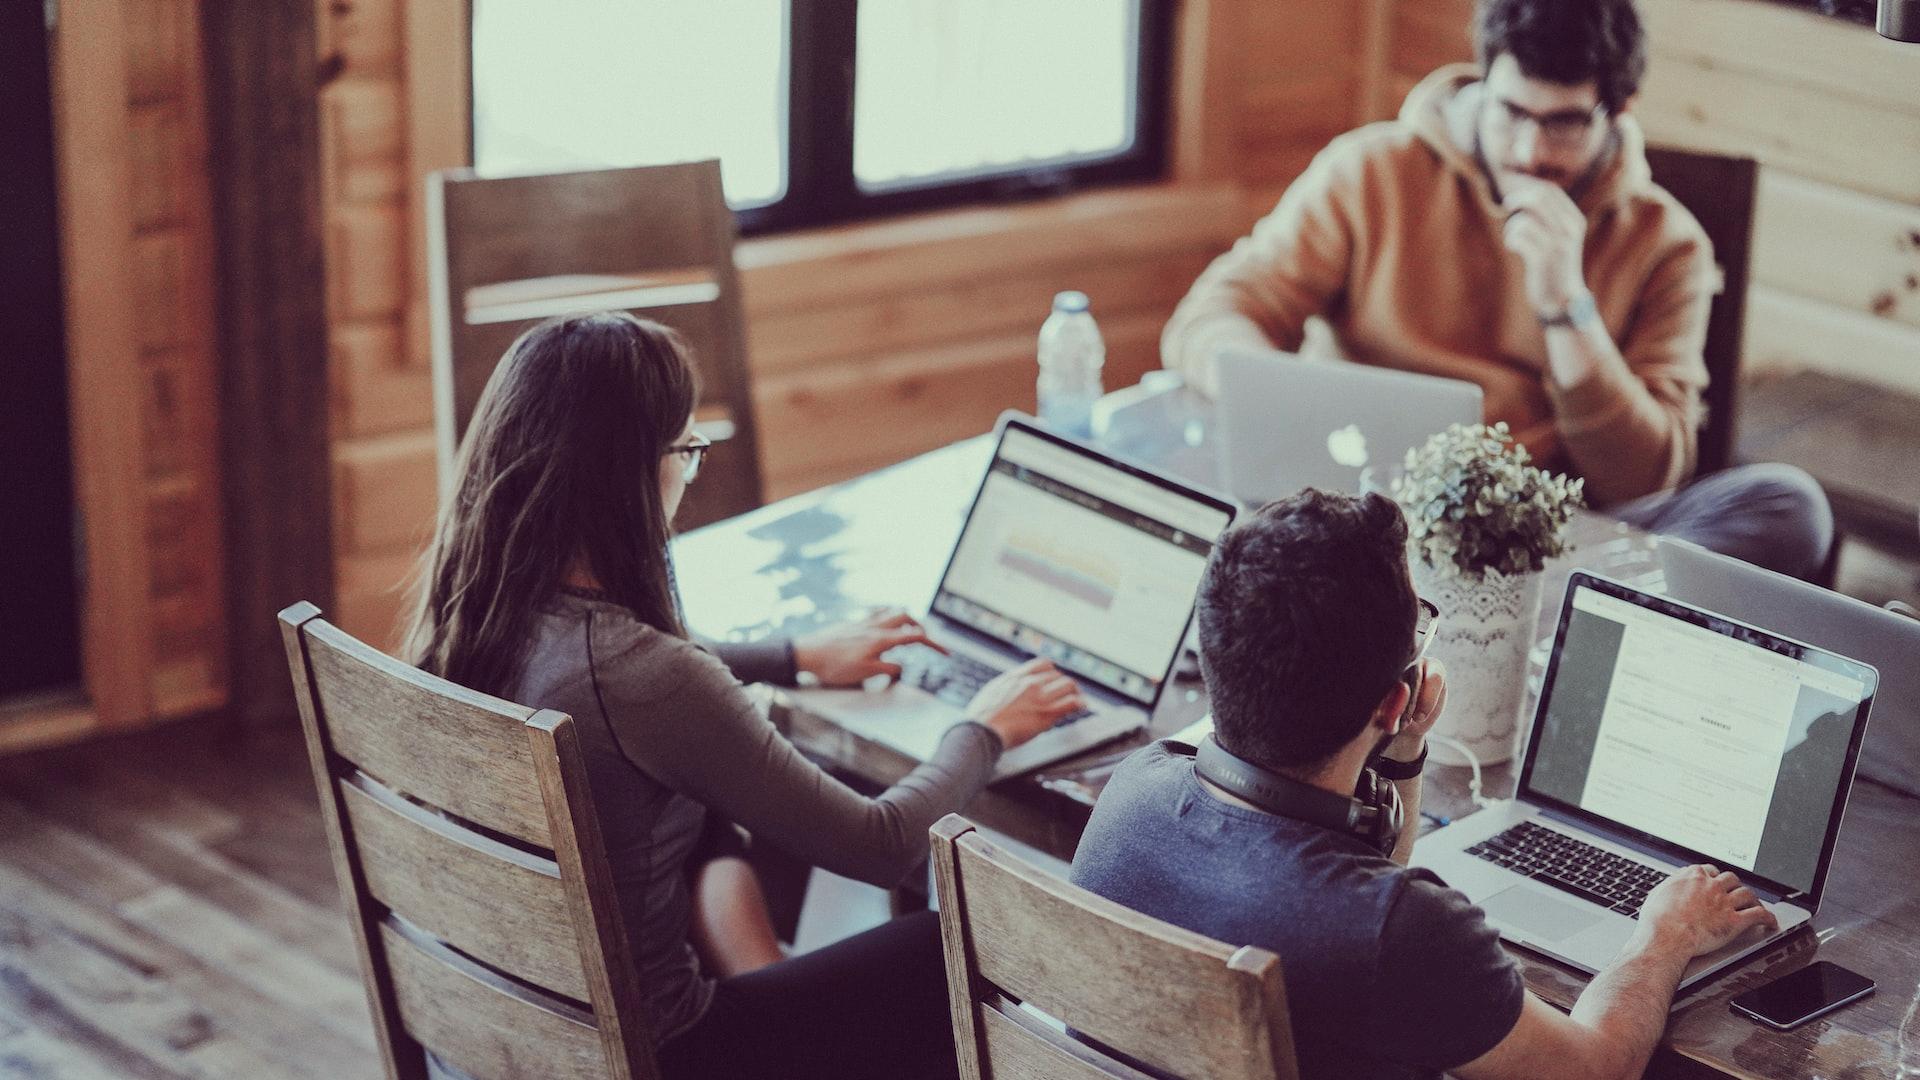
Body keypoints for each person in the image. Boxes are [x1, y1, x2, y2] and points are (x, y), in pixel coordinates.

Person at [405, 311, 1087, 1080]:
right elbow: (880, 842)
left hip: (490, 1030)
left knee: (713, 821)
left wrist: (793, 656)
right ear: (629, 472)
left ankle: (769, 983)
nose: (690, 472)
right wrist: (984, 726)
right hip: (659, 1056)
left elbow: (640, 689)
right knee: (935, 950)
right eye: (687, 450)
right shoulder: (641, 674)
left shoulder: (477, 610)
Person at [1070, 490, 1778, 1080]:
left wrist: (1401, 751)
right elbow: (1594, 1068)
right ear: (1390, 700)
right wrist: (1663, 936)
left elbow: (1346, 890)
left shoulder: (1130, 797)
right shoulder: (1404, 931)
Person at [1161, 0, 1832, 581]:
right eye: (1510, 111)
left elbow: (1646, 478)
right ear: (1485, 77)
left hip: (1549, 539)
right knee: (1174, 467)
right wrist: (1284, 403)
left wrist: (1567, 306)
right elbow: (1212, 316)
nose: (1529, 150)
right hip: (1363, 513)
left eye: (1564, 122)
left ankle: (1527, 619)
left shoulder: (1668, 244)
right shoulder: (1370, 171)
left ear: (1618, 109)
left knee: (1788, 506)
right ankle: (1521, 624)